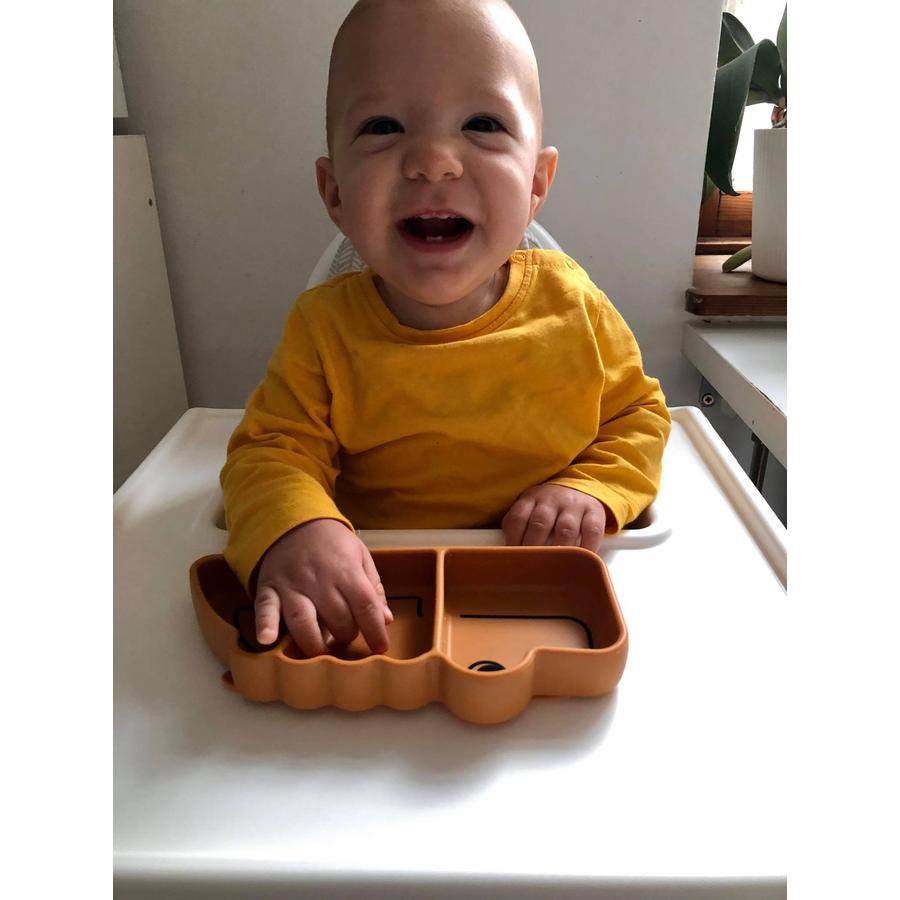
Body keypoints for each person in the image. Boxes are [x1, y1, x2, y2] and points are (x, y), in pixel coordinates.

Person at [220, 0, 672, 659]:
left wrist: (590, 490)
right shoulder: (323, 330)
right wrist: (297, 528)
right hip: (378, 605)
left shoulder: (574, 310)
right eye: (383, 127)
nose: (433, 162)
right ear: (335, 192)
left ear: (537, 184)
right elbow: (270, 452)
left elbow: (639, 418)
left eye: (482, 124)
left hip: (541, 591)